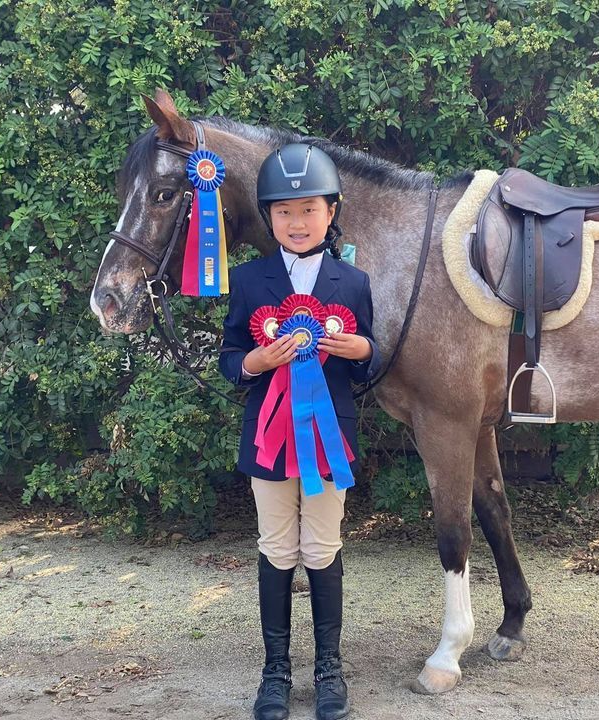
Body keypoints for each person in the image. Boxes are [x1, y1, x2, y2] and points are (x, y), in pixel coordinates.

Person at [219, 143, 381, 720]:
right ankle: (276, 672)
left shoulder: (354, 282)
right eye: (284, 212)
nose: (297, 222)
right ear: (269, 217)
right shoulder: (249, 280)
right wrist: (255, 364)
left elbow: (369, 362)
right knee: (276, 548)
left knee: (322, 547)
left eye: (308, 209)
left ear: (331, 212)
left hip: (326, 439)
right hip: (268, 439)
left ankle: (329, 669)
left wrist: (363, 349)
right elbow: (230, 355)